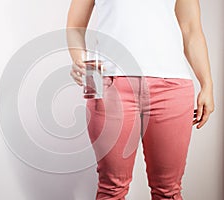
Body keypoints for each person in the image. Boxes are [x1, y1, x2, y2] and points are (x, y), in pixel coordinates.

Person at [66, 0, 215, 199]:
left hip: (172, 86)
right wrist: (81, 62)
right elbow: (75, 26)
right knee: (111, 188)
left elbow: (191, 29)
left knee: (168, 190)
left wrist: (207, 84)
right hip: (108, 83)